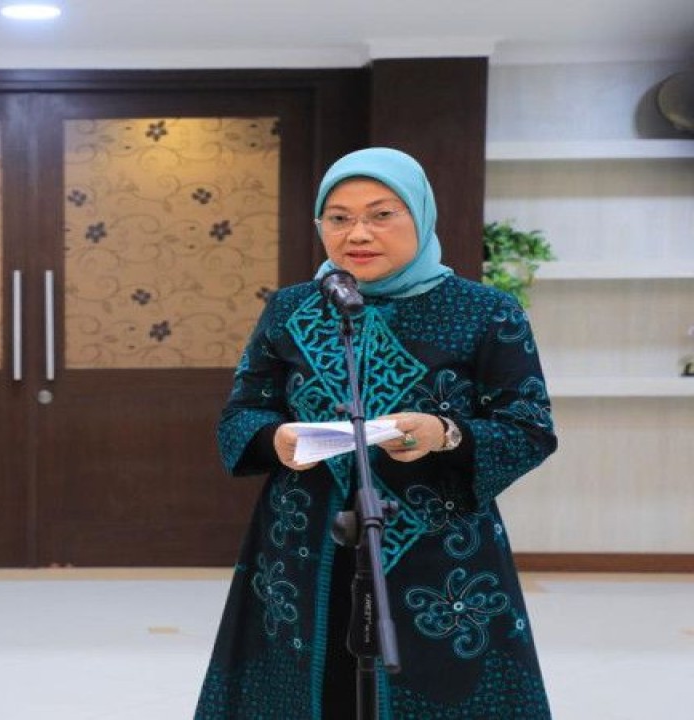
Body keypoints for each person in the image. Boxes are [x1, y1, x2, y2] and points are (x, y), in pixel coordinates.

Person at [194, 147, 556, 718]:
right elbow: (241, 416)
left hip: (440, 556)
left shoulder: (486, 311)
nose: (358, 233)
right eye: (339, 218)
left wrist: (444, 434)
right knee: (313, 690)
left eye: (382, 214)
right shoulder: (291, 309)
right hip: (304, 547)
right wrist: (275, 439)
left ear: (420, 214)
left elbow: (530, 428)